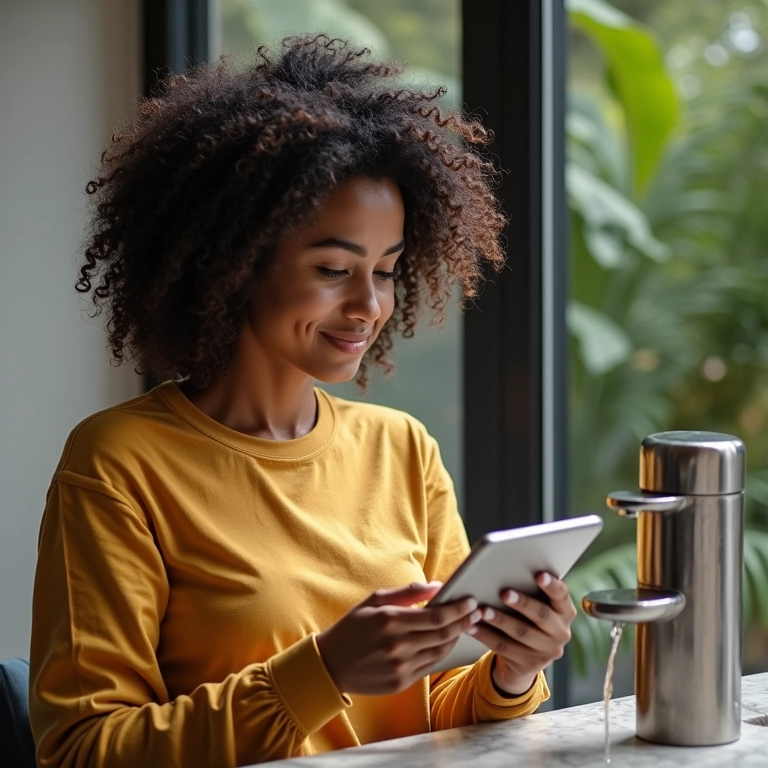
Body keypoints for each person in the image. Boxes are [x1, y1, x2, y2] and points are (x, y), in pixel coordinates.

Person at [29, 35, 577, 768]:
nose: (369, 306)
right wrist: (323, 673)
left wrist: (512, 671)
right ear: (233, 262)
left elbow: (434, 706)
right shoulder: (120, 463)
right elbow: (82, 750)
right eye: (333, 269)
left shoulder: (402, 449)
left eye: (387, 271)